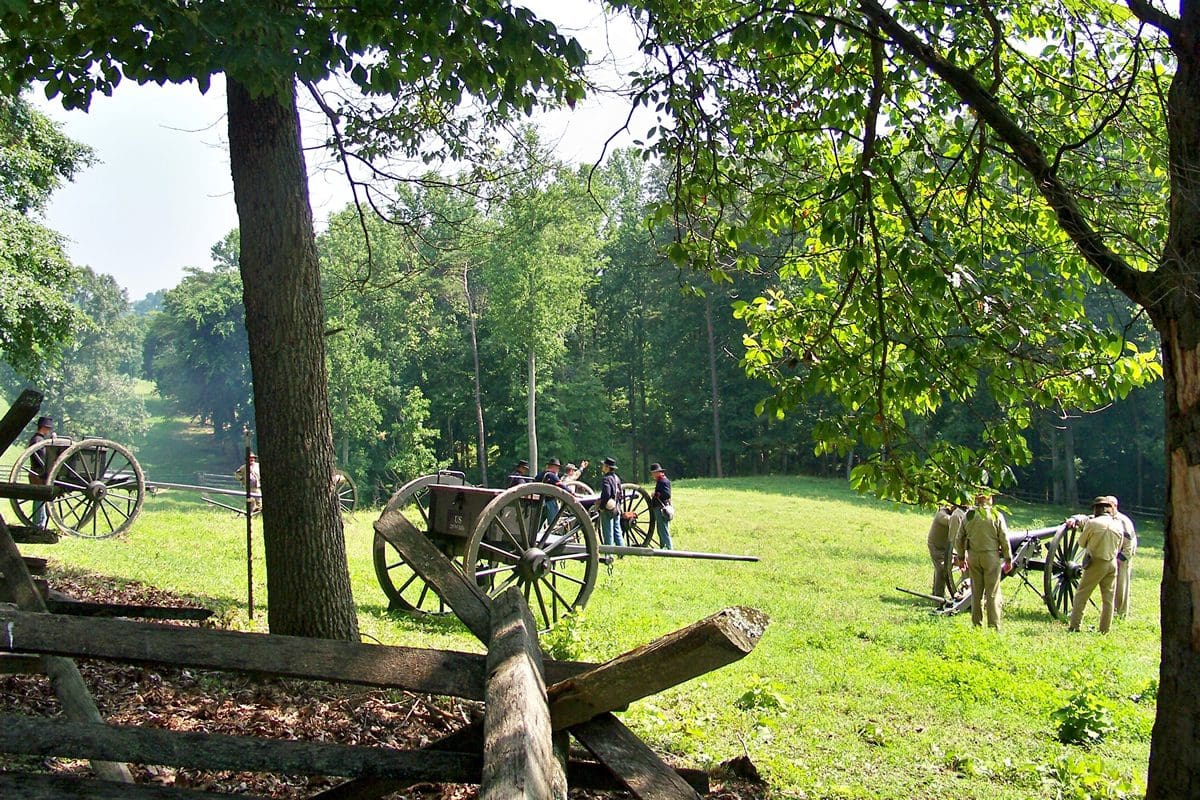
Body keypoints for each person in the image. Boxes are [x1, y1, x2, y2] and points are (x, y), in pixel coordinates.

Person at [953, 493, 1013, 630]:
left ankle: (976, 625)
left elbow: (959, 538)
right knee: (992, 593)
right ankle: (994, 627)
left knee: (976, 593)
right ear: (989, 499)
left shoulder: (969, 515)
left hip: (973, 556)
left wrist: (961, 557)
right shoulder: (995, 515)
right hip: (991, 556)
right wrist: (1008, 559)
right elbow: (1004, 538)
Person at [1067, 496, 1125, 633]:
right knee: (1108, 600)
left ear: (1096, 509)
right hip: (1112, 562)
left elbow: (1081, 543)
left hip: (1096, 562)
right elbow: (1120, 545)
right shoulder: (1118, 525)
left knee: (1081, 595)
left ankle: (1074, 626)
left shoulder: (1093, 523)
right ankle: (1105, 629)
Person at [927, 504, 965, 599]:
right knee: (942, 569)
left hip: (947, 547)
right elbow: (952, 520)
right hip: (937, 546)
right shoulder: (941, 514)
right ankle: (939, 596)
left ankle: (935, 592)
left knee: (941, 569)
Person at [1108, 495, 1137, 618]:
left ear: (1115, 506)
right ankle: (1110, 611)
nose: (1106, 508)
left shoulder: (1123, 521)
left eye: (1109, 505)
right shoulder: (1103, 518)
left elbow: (1130, 542)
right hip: (1108, 556)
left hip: (1121, 558)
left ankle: (1120, 613)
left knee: (1121, 586)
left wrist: (1122, 558)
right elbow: (1088, 520)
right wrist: (1075, 520)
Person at [27, 415, 54, 528]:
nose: (49, 431)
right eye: (48, 428)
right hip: (39, 473)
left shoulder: (36, 439)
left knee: (38, 499)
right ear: (44, 428)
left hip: (36, 472)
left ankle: (39, 523)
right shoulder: (38, 441)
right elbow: (42, 458)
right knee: (40, 499)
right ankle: (39, 524)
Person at [598, 457, 624, 547]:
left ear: (607, 467)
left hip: (608, 508)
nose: (602, 467)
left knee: (608, 532)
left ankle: (608, 554)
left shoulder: (606, 478)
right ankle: (622, 552)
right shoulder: (617, 478)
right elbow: (620, 494)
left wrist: (601, 506)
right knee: (617, 531)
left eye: (603, 465)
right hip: (616, 507)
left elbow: (607, 493)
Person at [649, 462, 673, 550]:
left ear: (658, 472)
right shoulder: (660, 480)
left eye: (653, 473)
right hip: (659, 508)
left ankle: (670, 549)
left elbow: (667, 494)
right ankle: (663, 548)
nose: (652, 475)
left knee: (663, 530)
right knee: (660, 530)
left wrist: (656, 494)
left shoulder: (664, 481)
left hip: (661, 508)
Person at [537, 457, 563, 526]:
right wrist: (572, 493)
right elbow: (561, 486)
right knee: (554, 524)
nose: (558, 469)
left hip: (539, 502)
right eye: (557, 467)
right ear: (553, 467)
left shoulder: (540, 475)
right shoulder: (551, 475)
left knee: (538, 524)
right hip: (550, 502)